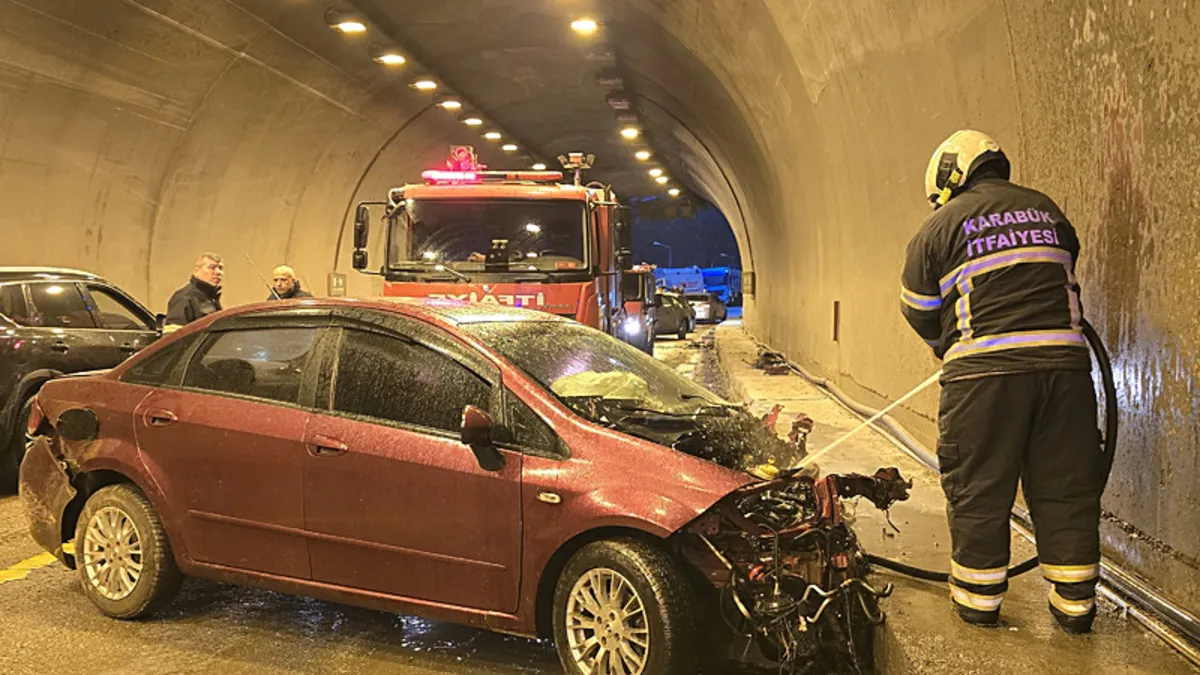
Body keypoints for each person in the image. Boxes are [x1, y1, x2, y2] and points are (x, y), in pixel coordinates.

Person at [900, 130, 1109, 633]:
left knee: (979, 486)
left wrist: (945, 347)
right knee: (1065, 484)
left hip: (984, 377)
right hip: (1066, 371)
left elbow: (918, 307)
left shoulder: (940, 226)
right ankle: (1075, 605)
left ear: (949, 178)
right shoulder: (1048, 211)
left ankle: (979, 600)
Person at [165, 252, 224, 327]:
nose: (218, 272)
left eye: (220, 268)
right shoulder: (184, 297)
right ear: (196, 272)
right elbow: (173, 335)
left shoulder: (211, 298)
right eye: (211, 267)